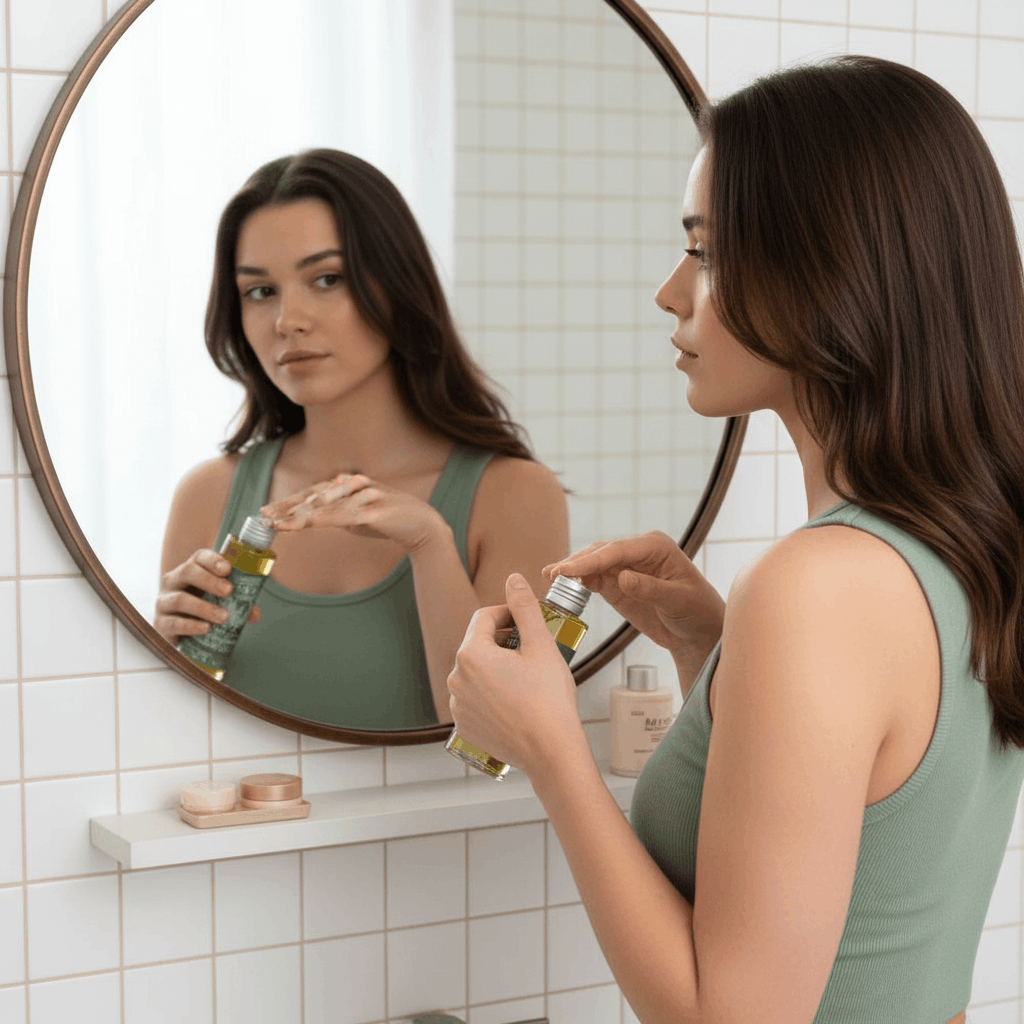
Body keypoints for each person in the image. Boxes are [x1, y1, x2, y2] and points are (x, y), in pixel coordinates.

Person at [446, 55, 1024, 1023]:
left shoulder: (819, 586)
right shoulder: (955, 549)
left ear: (833, 271)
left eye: (705, 251)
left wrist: (550, 748)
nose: (670, 291)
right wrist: (713, 651)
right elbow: (883, 869)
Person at [155, 149, 568, 730]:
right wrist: (161, 655)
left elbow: (499, 742)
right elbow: (177, 736)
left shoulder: (516, 496)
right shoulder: (206, 495)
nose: (287, 321)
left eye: (327, 279)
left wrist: (430, 544)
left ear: (398, 287)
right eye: (260, 291)